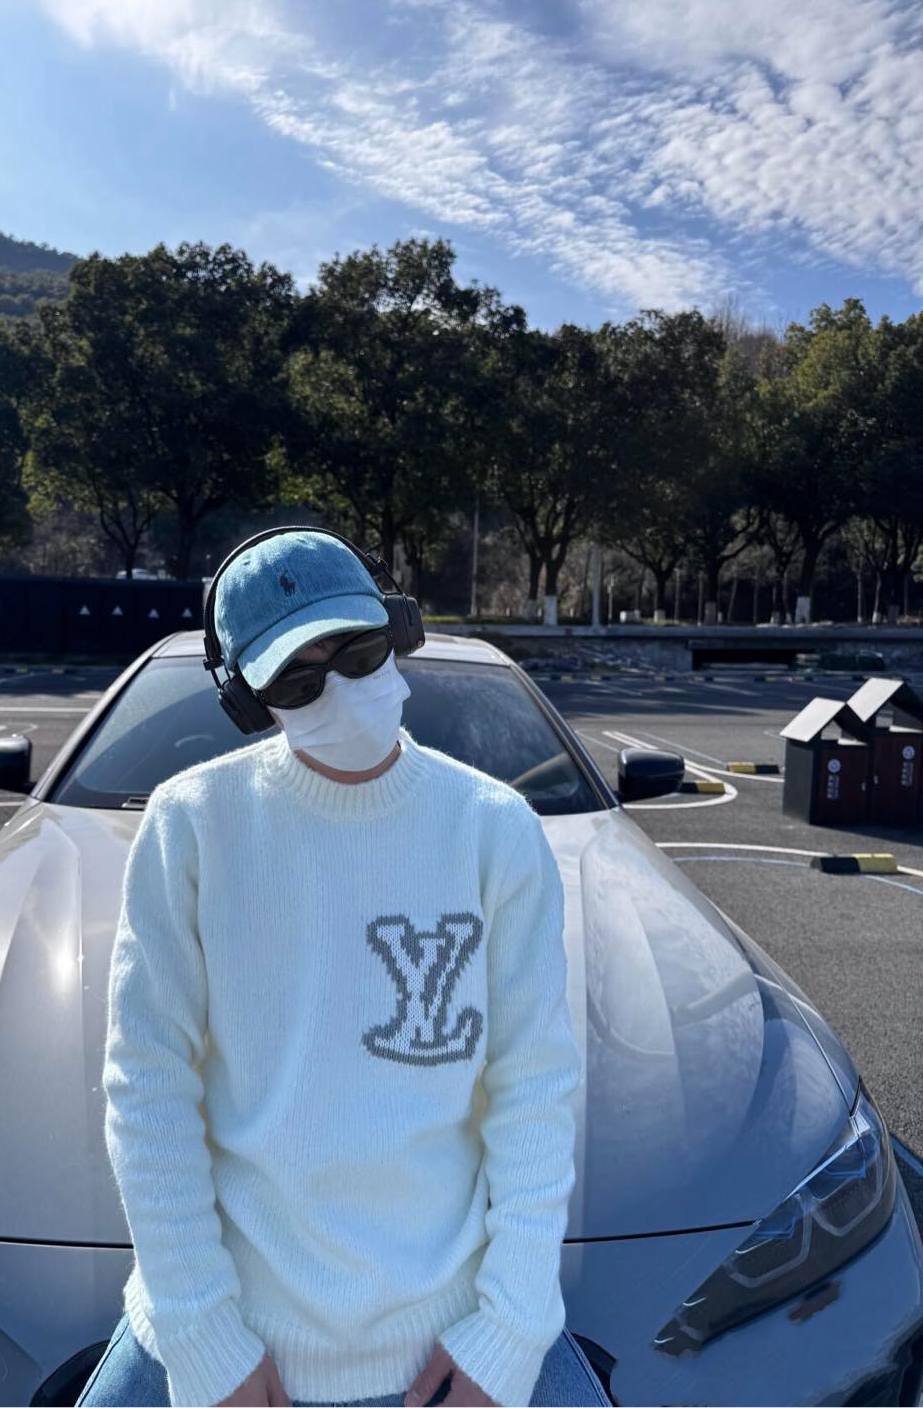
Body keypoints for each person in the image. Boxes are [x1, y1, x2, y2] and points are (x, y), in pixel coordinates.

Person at [77, 529, 611, 1408]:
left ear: (396, 633)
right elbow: (148, 1090)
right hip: (232, 1344)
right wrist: (205, 1340)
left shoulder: (494, 828)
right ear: (249, 700)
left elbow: (534, 1091)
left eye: (358, 654)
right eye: (298, 680)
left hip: (452, 1343)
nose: (341, 691)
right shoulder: (190, 826)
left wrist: (510, 1333)